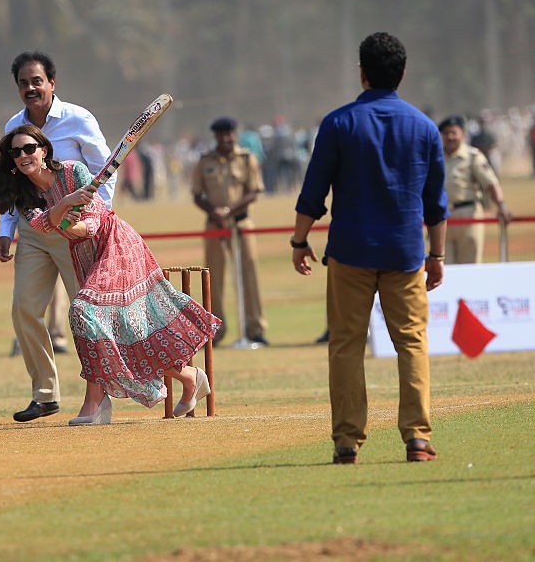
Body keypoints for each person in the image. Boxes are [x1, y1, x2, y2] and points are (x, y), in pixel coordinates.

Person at [0, 125, 218, 424]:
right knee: (117, 329)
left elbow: (92, 223)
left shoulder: (74, 171)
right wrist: (66, 205)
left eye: (29, 148)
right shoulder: (24, 194)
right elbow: (43, 225)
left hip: (114, 244)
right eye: (15, 152)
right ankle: (189, 377)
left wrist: (69, 221)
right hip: (82, 255)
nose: (23, 156)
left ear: (44, 150)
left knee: (82, 312)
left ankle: (94, 403)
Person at [291, 32, 448, 465]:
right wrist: (437, 256)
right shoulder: (424, 127)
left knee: (346, 345)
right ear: (402, 73)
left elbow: (313, 193)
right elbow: (436, 204)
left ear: (362, 73)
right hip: (404, 253)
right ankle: (417, 438)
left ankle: (347, 441)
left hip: (351, 252)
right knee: (412, 343)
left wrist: (300, 240)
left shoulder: (338, 123)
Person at [0, 51, 116, 423]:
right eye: (23, 83)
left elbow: (104, 172)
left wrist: (98, 221)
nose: (30, 88)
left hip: (75, 233)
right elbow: (10, 185)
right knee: (24, 309)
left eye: (37, 81)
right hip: (33, 230)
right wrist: (5, 232)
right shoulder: (14, 126)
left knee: (85, 314)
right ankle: (45, 395)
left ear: (51, 83)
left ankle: (99, 396)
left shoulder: (78, 119)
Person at [191, 117, 269, 348]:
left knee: (248, 274)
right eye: (221, 134)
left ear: (235, 134)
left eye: (229, 133)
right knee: (213, 278)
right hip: (214, 226)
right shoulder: (205, 161)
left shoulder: (246, 159)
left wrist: (229, 211)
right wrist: (215, 212)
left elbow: (254, 191)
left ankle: (255, 329)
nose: (226, 138)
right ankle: (216, 330)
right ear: (215, 136)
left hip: (241, 223)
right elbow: (197, 194)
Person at [439, 115, 511, 264]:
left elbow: (491, 183)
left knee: (469, 266)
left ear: (462, 134)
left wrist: (501, 205)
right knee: (445, 268)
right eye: (446, 133)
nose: (450, 137)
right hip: (442, 218)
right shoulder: (435, 157)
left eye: (453, 132)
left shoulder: (473, 156)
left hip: (468, 217)